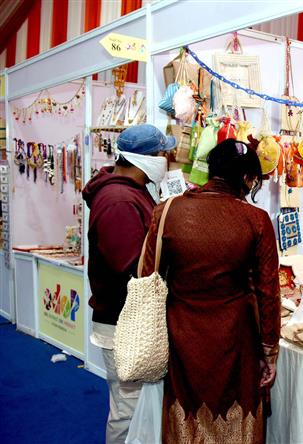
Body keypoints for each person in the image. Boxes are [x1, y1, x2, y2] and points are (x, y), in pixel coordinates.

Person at [140, 139, 280, 443]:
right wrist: (269, 352)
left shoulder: (167, 211)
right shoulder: (256, 220)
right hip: (236, 338)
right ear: (246, 178)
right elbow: (268, 292)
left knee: (185, 413)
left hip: (182, 335)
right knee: (236, 416)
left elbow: (145, 275)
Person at [82, 124, 175, 443]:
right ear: (145, 159)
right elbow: (133, 267)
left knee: (136, 408)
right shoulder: (119, 200)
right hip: (125, 322)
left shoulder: (129, 192)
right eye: (163, 154)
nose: (167, 160)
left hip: (129, 319)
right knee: (128, 410)